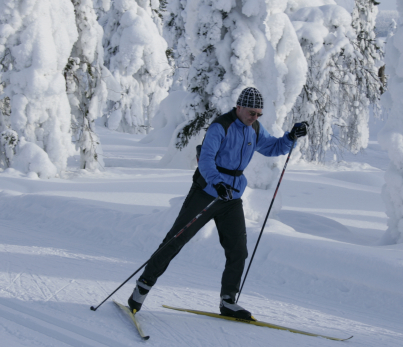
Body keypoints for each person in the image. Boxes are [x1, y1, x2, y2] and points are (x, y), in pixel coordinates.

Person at [128, 87, 307, 319]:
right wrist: (217, 183)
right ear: (239, 107)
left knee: (238, 250)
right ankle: (141, 290)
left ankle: (228, 301)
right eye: (252, 112)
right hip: (206, 192)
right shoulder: (220, 126)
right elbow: (206, 160)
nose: (255, 117)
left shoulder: (253, 128)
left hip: (231, 197)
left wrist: (290, 137)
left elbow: (272, 147)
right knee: (175, 240)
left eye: (259, 114)